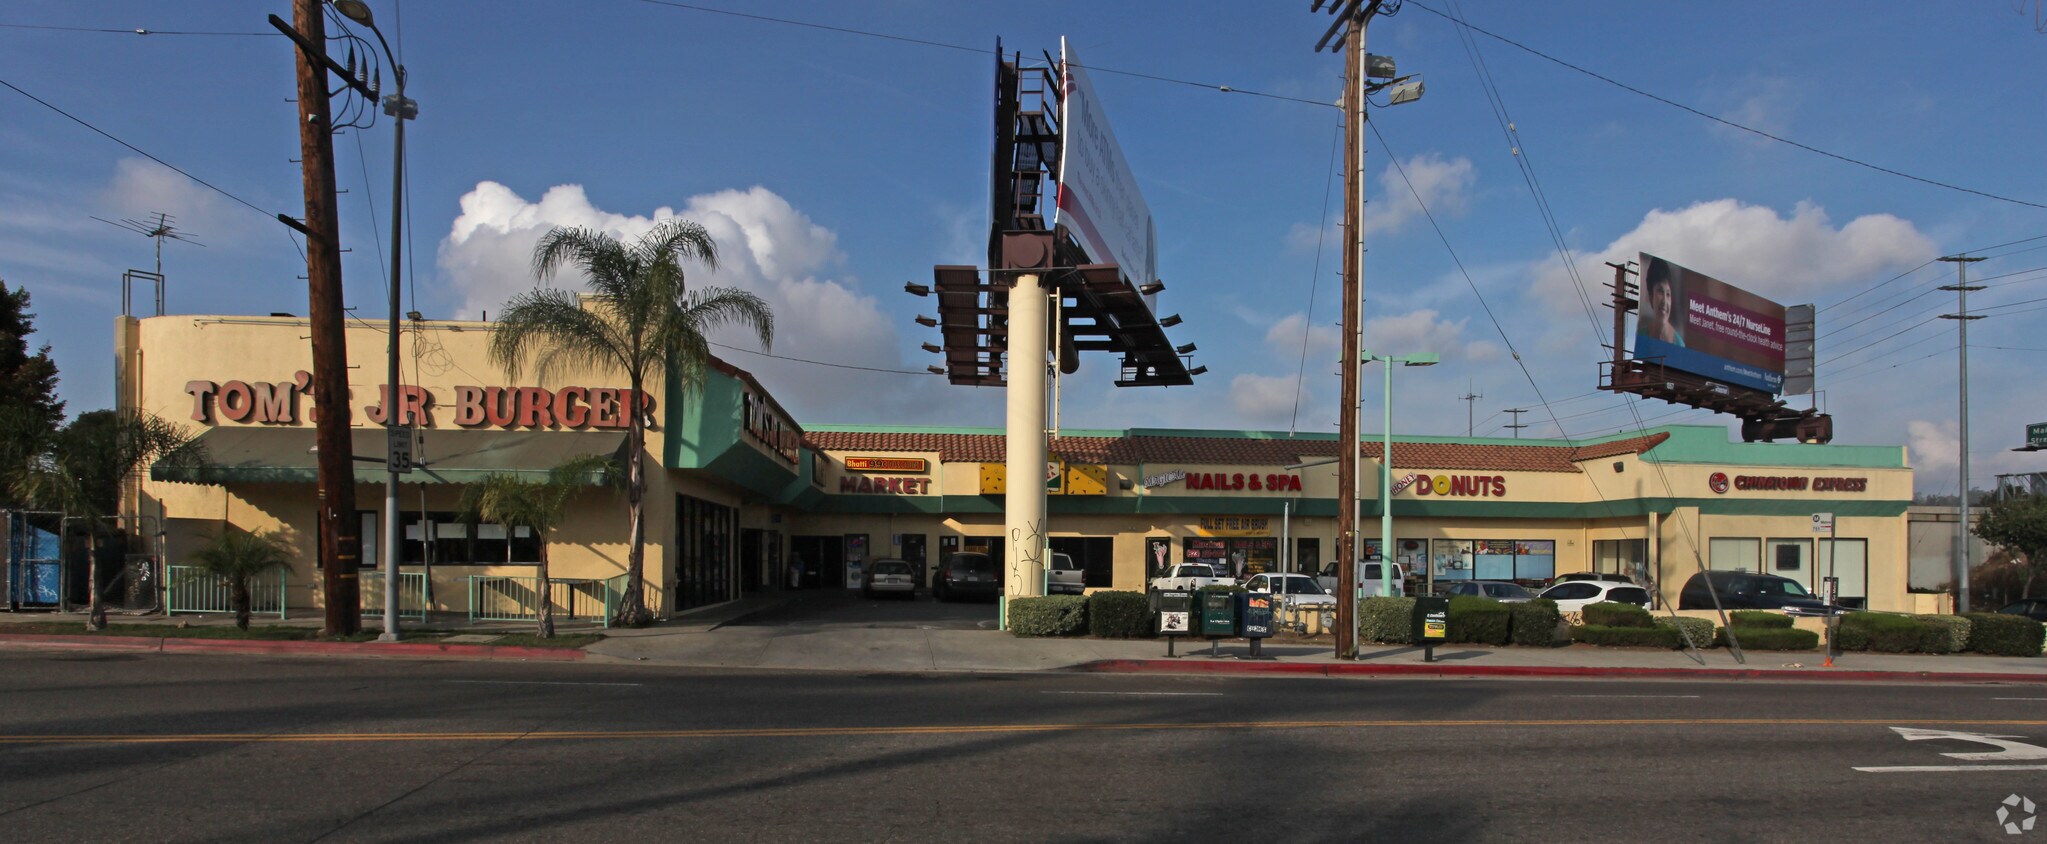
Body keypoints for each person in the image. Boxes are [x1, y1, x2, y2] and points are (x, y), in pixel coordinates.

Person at [1640, 262, 1683, 346]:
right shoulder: (1640, 337)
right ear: (1650, 296)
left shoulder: (1679, 345)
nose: (1664, 301)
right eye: (1660, 291)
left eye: (1668, 294)